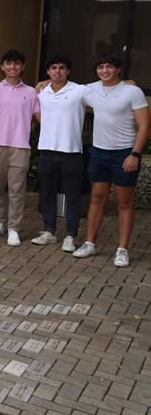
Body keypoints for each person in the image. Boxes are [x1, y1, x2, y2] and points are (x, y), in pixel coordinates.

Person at [73, 55, 149, 267]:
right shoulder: (90, 89)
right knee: (97, 198)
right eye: (101, 67)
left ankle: (122, 249)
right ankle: (90, 243)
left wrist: (135, 154)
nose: (105, 70)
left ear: (118, 69)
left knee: (124, 203)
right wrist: (44, 82)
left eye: (109, 67)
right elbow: (65, 87)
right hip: (98, 153)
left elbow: (144, 125)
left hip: (124, 153)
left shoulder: (131, 91)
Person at [0, 49, 40, 246]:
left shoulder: (32, 92)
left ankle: (14, 228)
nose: (12, 67)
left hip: (20, 146)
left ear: (22, 66)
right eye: (8, 63)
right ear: (2, 66)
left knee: (17, 189)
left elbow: (41, 118)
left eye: (16, 63)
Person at [32, 55, 87, 252]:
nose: (58, 71)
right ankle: (49, 231)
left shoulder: (79, 90)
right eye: (53, 68)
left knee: (73, 196)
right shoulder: (41, 91)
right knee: (47, 194)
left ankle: (71, 235)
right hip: (47, 150)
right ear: (48, 71)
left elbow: (104, 90)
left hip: (71, 152)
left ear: (68, 71)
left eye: (62, 68)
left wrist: (126, 83)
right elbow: (32, 108)